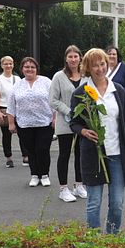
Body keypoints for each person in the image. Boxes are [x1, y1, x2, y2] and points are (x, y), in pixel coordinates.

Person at [71, 49, 125, 233]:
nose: (99, 69)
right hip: (93, 155)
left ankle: (112, 240)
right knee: (94, 202)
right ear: (87, 68)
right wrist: (83, 131)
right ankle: (93, 243)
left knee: (117, 203)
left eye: (102, 64)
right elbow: (73, 122)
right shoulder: (81, 93)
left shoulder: (119, 90)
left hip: (117, 153)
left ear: (108, 64)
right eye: (95, 65)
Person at [7, 57, 54, 187]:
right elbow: (11, 105)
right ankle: (34, 175)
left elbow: (53, 101)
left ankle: (44, 174)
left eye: (32, 67)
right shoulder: (17, 85)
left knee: (43, 149)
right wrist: (11, 123)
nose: (30, 69)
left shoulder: (46, 82)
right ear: (22, 69)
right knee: (31, 151)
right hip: (24, 124)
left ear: (36, 69)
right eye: (27, 67)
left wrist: (55, 118)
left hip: (44, 122)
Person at [50, 45, 87, 203]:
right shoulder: (59, 76)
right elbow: (52, 100)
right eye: (70, 56)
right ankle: (63, 188)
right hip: (65, 123)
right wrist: (69, 111)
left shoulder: (86, 76)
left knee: (81, 154)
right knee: (64, 154)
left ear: (80, 58)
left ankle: (79, 185)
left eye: (76, 56)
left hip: (83, 123)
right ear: (66, 58)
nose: (73, 59)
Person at [0, 56, 25, 168]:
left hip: (17, 109)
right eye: (6, 64)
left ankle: (26, 156)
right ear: (2, 65)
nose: (8, 66)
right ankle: (8, 157)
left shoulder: (18, 79)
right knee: (6, 135)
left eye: (10, 63)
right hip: (4, 109)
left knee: (22, 133)